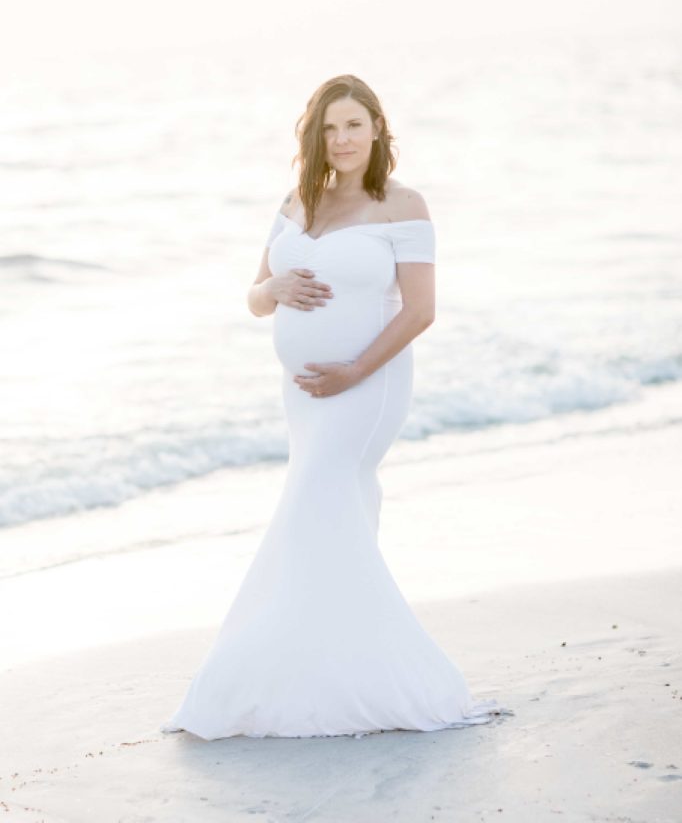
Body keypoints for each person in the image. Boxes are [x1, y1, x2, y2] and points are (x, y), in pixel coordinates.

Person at [160, 74, 507, 739]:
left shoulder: (403, 205)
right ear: (314, 137)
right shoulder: (298, 201)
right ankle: (320, 669)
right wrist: (275, 287)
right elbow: (255, 296)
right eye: (329, 128)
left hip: (368, 388)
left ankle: (381, 682)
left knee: (315, 504)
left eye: (354, 125)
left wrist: (354, 369)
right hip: (304, 397)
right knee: (330, 517)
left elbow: (421, 310)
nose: (342, 139)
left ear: (377, 129)